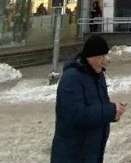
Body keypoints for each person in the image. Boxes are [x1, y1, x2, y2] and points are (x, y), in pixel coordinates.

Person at [50, 35, 126, 163]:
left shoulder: (98, 75)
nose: (104, 61)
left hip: (91, 151)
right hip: (72, 154)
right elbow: (76, 114)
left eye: (105, 56)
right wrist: (110, 111)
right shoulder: (71, 78)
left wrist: (114, 114)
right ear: (90, 57)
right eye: (100, 57)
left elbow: (98, 107)